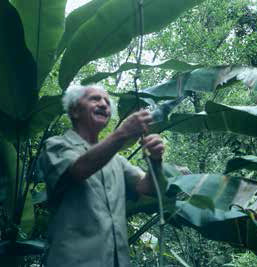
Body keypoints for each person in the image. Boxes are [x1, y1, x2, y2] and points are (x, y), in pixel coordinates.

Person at [36, 84, 164, 267]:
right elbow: (78, 170)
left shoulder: (117, 161)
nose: (104, 104)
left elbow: (148, 188)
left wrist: (155, 161)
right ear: (74, 110)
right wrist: (123, 133)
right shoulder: (55, 145)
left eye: (107, 101)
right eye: (95, 99)